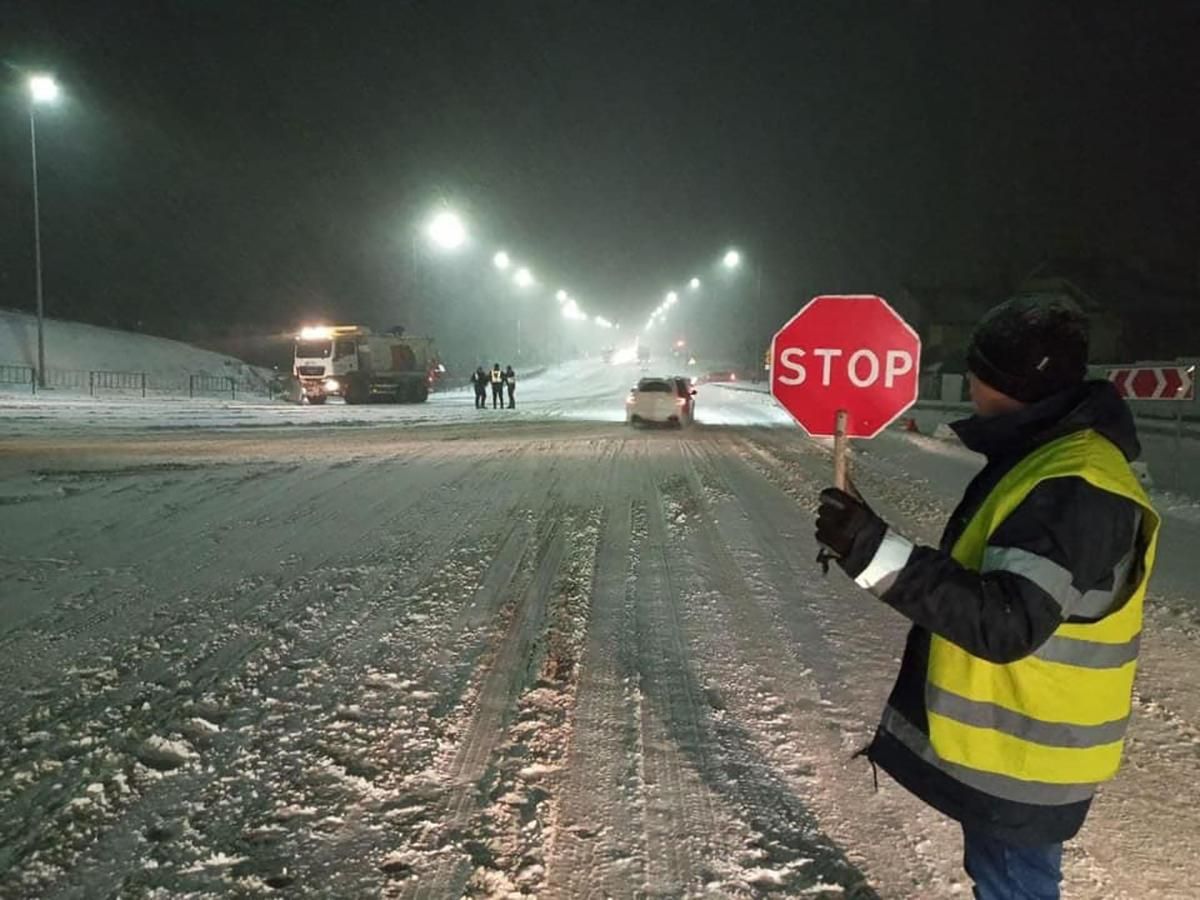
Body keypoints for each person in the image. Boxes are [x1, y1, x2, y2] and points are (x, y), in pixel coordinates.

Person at [815, 295, 1158, 900]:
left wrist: (873, 552)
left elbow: (1005, 621)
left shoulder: (1073, 484)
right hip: (1019, 751)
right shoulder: (1052, 458)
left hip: (1028, 755)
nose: (969, 381)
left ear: (1011, 383)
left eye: (979, 370)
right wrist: (872, 540)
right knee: (1001, 881)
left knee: (1012, 887)